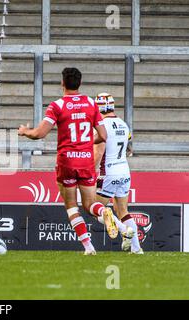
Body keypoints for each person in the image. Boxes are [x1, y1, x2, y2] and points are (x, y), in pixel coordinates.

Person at [18, 68, 118, 255]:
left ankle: (89, 247)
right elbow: (103, 135)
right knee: (90, 205)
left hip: (67, 162)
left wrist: (25, 131)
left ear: (62, 83)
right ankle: (103, 212)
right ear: (79, 83)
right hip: (86, 160)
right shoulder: (90, 103)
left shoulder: (57, 105)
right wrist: (86, 141)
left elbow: (40, 133)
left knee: (71, 206)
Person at [94, 93, 143, 254]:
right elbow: (129, 148)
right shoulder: (123, 124)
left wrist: (88, 171)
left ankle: (123, 230)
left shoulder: (102, 125)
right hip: (124, 171)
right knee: (123, 211)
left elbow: (99, 150)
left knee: (95, 208)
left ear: (98, 107)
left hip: (109, 172)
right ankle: (136, 249)